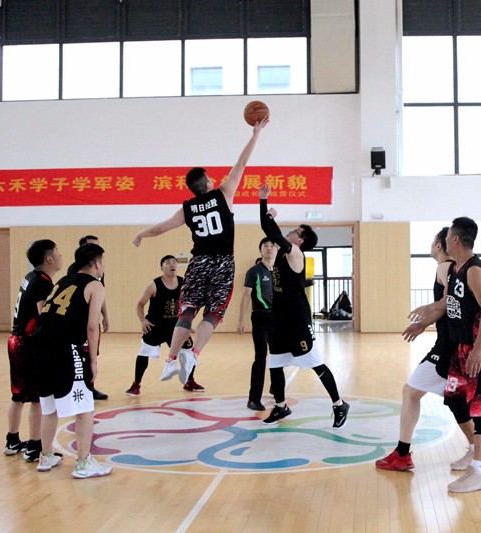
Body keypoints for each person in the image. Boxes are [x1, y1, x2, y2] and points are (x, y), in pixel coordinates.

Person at [133, 117, 269, 384]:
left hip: (198, 263)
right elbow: (241, 163)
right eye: (210, 178)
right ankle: (193, 354)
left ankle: (170, 360)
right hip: (223, 264)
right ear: (207, 184)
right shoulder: (223, 193)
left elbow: (161, 228)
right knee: (213, 313)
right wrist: (256, 134)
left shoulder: (187, 208)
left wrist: (141, 234)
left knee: (187, 311)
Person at [377, 230, 481, 472]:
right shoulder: (463, 269)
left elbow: (451, 302)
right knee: (477, 396)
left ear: (439, 245)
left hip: (450, 346)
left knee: (415, 393)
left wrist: (426, 318)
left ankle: (406, 453)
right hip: (459, 343)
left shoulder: (446, 268)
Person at [258, 184, 350, 428]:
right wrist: (265, 207)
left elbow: (269, 229)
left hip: (297, 320)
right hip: (279, 319)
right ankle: (280, 406)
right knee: (275, 364)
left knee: (315, 364)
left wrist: (267, 208)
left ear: (299, 240)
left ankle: (339, 404)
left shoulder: (296, 254)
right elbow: (268, 231)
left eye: (295, 231)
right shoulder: (281, 253)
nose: (290, 231)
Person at [34, 243, 113, 479]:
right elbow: (92, 326)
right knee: (85, 407)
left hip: (40, 346)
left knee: (49, 407)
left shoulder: (62, 281)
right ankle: (84, 462)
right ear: (97, 263)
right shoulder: (95, 285)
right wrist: (93, 360)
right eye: (102, 263)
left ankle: (46, 455)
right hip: (65, 347)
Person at [4, 239, 62, 462]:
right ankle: (35, 446)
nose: (60, 256)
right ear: (49, 259)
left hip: (15, 339)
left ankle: (12, 441)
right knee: (37, 398)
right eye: (57, 252)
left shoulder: (30, 277)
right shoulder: (43, 283)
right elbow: (43, 316)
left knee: (18, 395)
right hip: (28, 343)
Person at [125, 255, 204, 396]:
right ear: (162, 268)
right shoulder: (153, 285)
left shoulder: (184, 283)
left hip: (176, 326)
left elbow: (189, 305)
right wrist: (143, 320)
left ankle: (189, 381)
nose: (172, 265)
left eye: (174, 262)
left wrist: (188, 323)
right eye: (168, 263)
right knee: (144, 353)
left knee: (189, 352)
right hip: (155, 326)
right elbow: (140, 304)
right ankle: (136, 384)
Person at [67, 235, 110, 401]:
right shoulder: (75, 272)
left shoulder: (96, 276)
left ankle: (88, 386)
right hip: (77, 326)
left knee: (89, 354)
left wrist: (105, 315)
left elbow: (99, 294)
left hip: (82, 323)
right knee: (82, 356)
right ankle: (81, 388)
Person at [237, 238, 278, 411]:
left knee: (278, 356)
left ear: (276, 250)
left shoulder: (280, 271)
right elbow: (246, 295)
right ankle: (253, 399)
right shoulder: (254, 271)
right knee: (261, 358)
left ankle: (277, 389)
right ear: (260, 251)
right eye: (265, 246)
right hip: (261, 317)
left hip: (278, 318)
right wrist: (241, 319)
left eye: (272, 246)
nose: (269, 248)